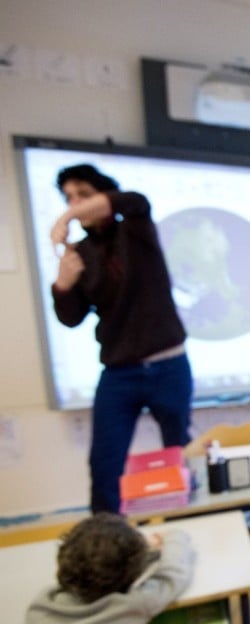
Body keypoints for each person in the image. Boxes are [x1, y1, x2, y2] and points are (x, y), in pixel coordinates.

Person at [50, 164, 192, 514]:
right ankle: (106, 544)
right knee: (105, 463)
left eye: (83, 195)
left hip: (168, 363)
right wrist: (63, 285)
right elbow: (71, 318)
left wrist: (67, 215)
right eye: (68, 197)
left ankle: (193, 519)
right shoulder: (81, 253)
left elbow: (134, 200)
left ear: (101, 195)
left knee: (180, 453)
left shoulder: (135, 230)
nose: (75, 204)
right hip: (119, 372)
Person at [13, 513, 195, 624]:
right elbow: (174, 574)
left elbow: (96, 565)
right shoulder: (132, 605)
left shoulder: (41, 604)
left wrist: (146, 553)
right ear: (135, 575)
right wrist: (174, 536)